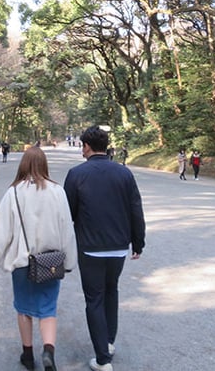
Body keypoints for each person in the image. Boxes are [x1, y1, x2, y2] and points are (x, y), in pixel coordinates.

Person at [0, 147, 77, 371]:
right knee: (48, 309)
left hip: (22, 263)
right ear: (44, 165)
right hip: (50, 263)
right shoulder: (58, 192)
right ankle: (49, 351)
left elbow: (1, 231)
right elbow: (66, 230)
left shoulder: (13, 193)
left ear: (23, 164)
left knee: (24, 309)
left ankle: (28, 355)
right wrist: (70, 261)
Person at [63, 126, 146, 371]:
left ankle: (102, 359)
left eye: (82, 145)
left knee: (94, 299)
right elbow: (135, 210)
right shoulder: (124, 173)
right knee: (111, 292)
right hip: (119, 247)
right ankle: (108, 343)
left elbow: (68, 213)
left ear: (87, 146)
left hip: (90, 247)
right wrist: (138, 242)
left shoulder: (77, 174)